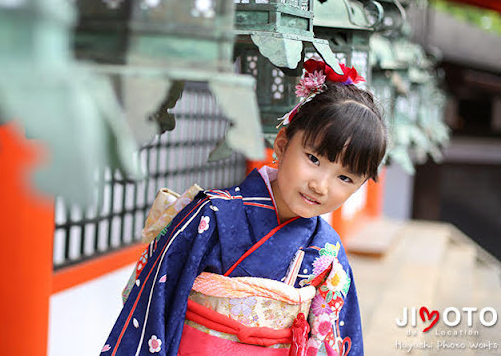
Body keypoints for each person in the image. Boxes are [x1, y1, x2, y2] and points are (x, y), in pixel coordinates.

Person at [101, 59, 388, 356]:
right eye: (314, 159)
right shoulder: (210, 215)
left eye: (344, 177)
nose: (321, 185)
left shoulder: (328, 253)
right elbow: (152, 308)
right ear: (281, 144)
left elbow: (337, 340)